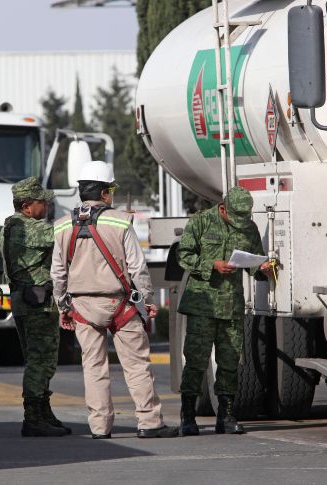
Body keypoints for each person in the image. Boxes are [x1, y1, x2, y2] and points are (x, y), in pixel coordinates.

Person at [51, 160, 178, 439]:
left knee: (93, 368)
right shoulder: (121, 221)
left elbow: (58, 273)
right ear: (105, 193)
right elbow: (137, 267)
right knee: (136, 365)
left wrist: (63, 306)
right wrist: (147, 300)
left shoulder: (61, 226)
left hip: (82, 307)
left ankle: (99, 427)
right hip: (121, 305)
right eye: (111, 190)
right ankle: (149, 422)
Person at [176, 185, 273, 436]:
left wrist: (261, 268)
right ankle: (188, 416)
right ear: (223, 208)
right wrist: (212, 264)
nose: (241, 222)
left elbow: (254, 260)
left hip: (231, 306)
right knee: (196, 362)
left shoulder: (249, 228)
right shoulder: (201, 221)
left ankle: (226, 416)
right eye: (236, 216)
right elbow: (183, 255)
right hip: (202, 306)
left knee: (230, 362)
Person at [0, 177, 69, 437]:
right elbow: (64, 235)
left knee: (38, 359)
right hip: (37, 303)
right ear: (27, 206)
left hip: (24, 301)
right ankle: (33, 417)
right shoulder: (30, 229)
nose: (46, 206)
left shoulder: (8, 227)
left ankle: (43, 411)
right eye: (42, 202)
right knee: (41, 361)